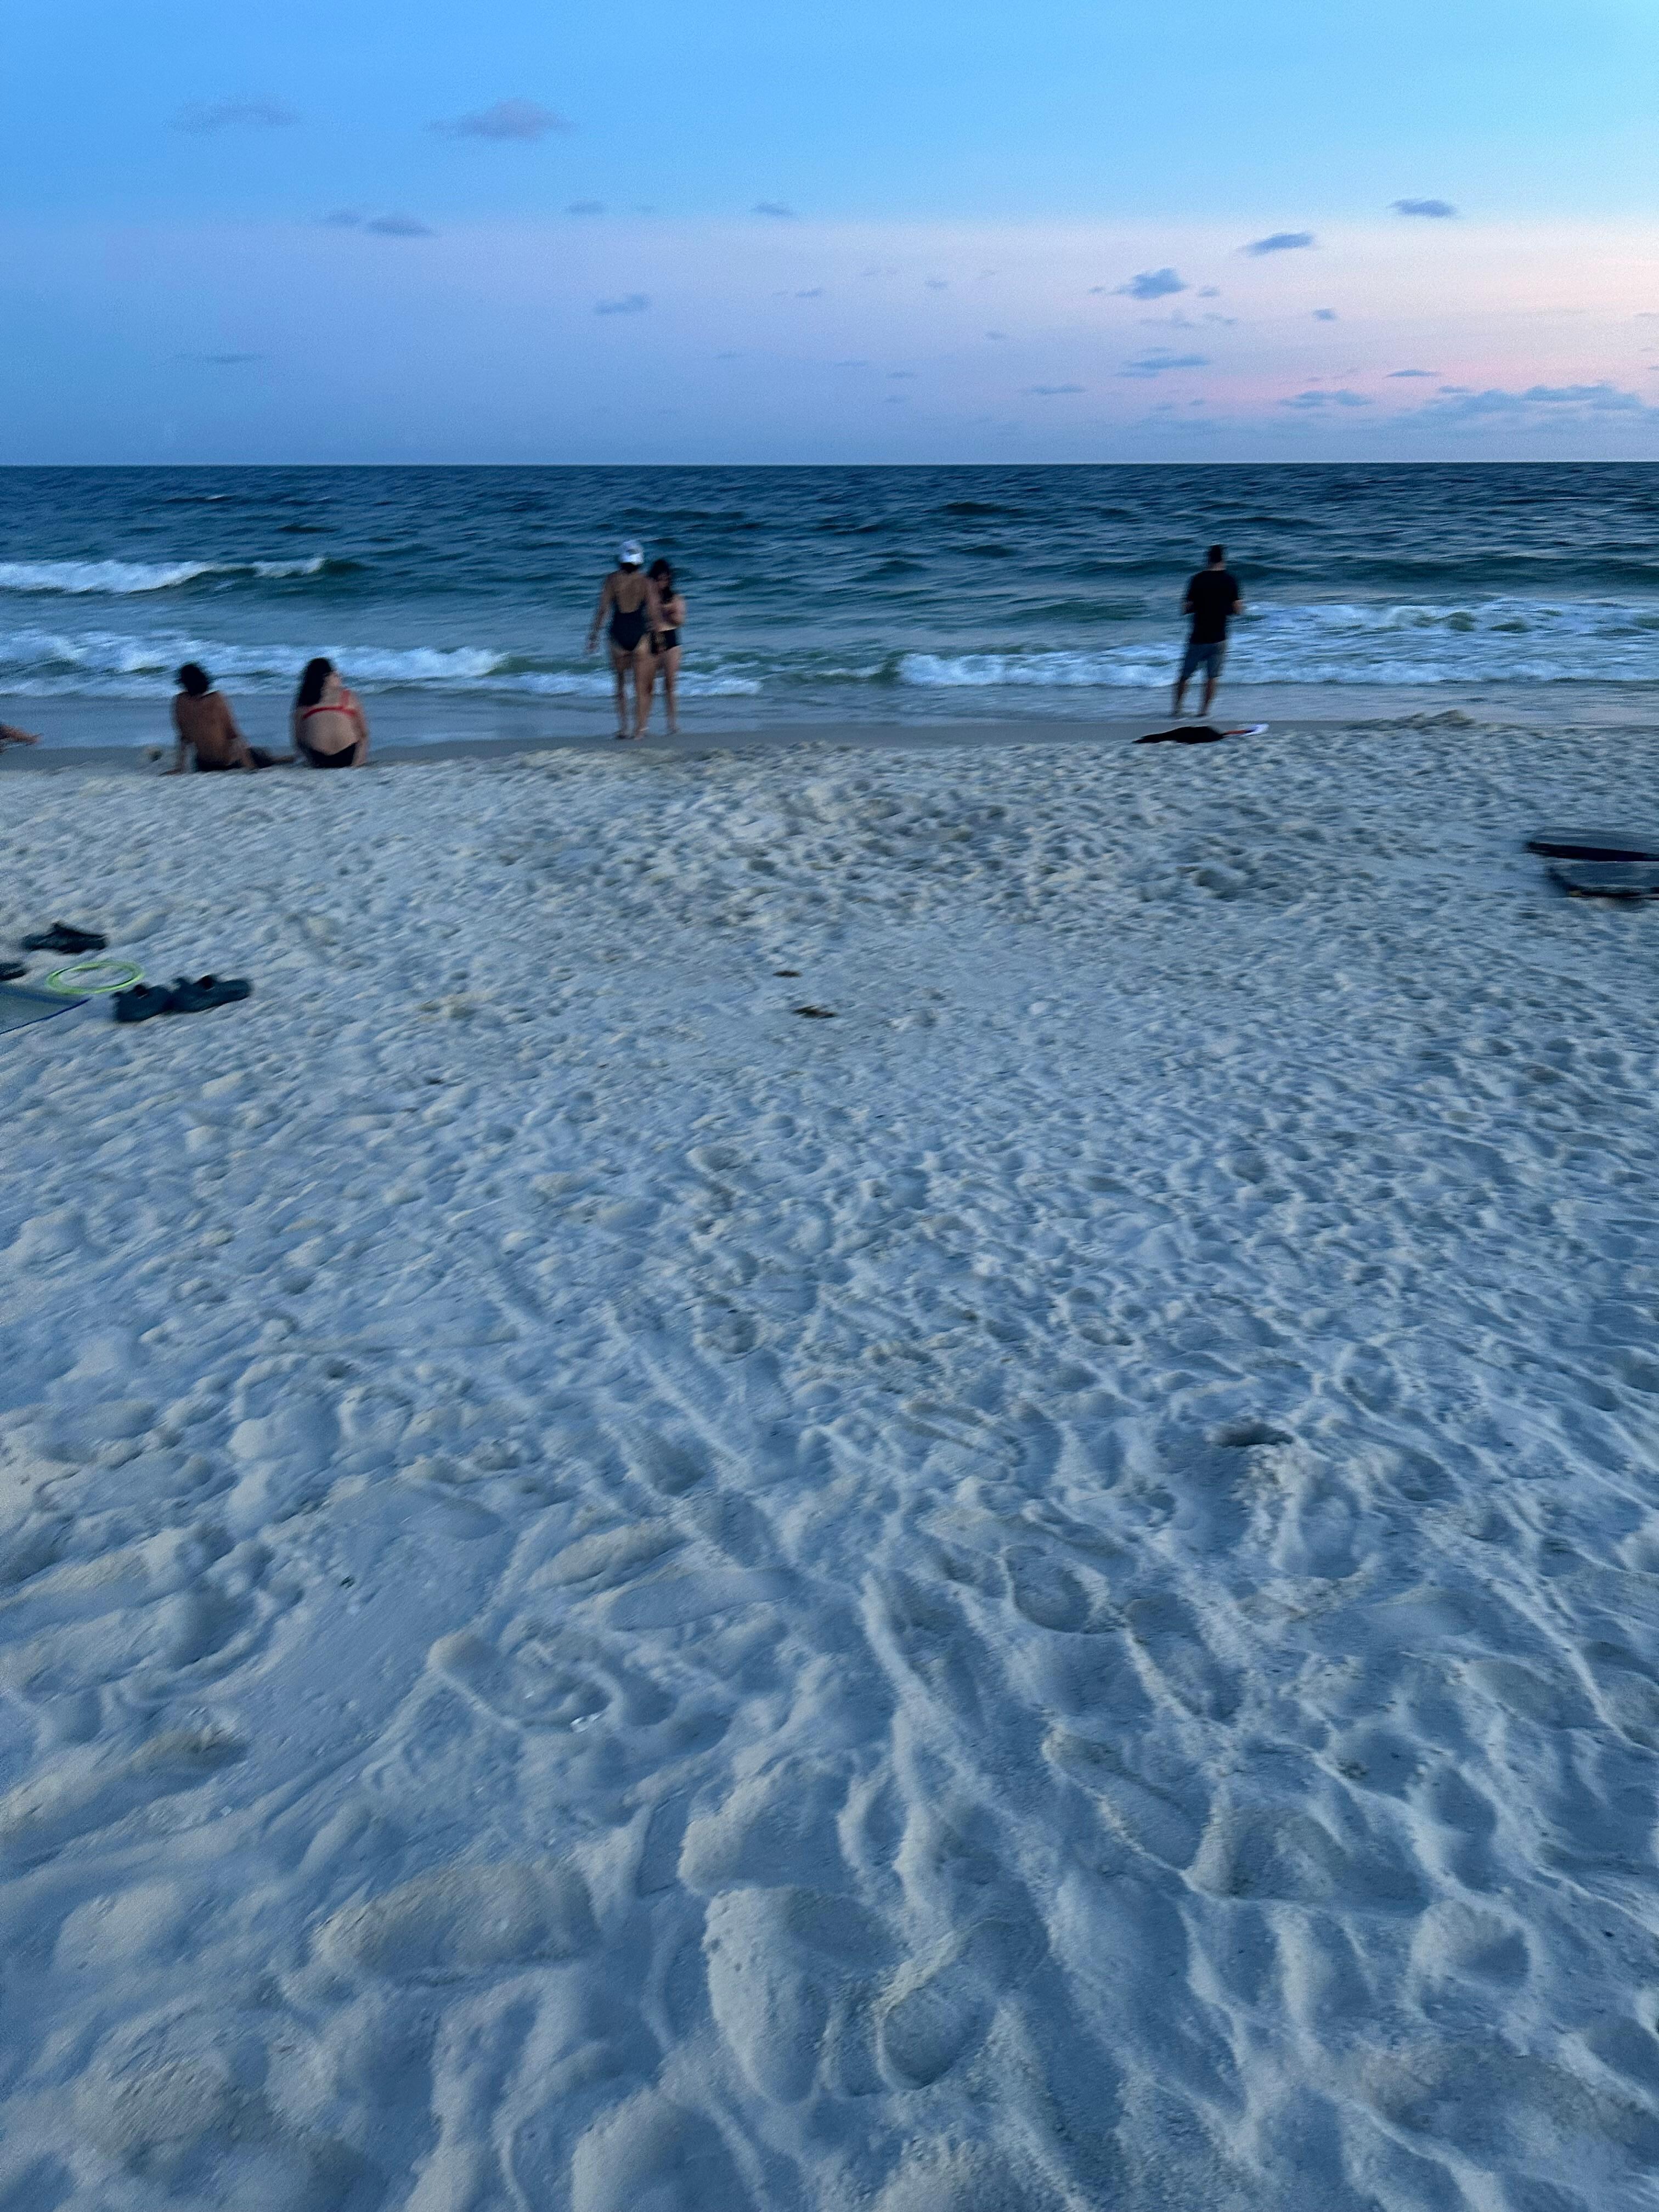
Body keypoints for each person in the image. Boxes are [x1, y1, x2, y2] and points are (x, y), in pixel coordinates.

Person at [585, 540, 664, 740]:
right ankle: (640, 730)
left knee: (621, 684)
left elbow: (603, 610)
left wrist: (593, 636)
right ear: (640, 560)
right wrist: (660, 639)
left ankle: (623, 729)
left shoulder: (612, 580)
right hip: (639, 634)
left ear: (621, 559)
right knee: (640, 686)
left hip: (618, 634)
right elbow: (654, 614)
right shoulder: (647, 582)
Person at [1172, 544, 1243, 720]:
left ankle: (1178, 709)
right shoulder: (1231, 580)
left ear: (1208, 559)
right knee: (1212, 677)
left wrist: (1200, 605)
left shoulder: (1197, 579)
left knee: (1185, 675)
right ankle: (1203, 711)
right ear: (1223, 559)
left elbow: (1185, 608)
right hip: (1219, 637)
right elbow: (1238, 610)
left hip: (1198, 637)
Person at [168, 663, 278, 772]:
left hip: (204, 764)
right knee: (264, 756)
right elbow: (233, 734)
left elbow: (184, 737)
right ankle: (281, 760)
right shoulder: (216, 699)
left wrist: (180, 767)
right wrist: (249, 766)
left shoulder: (180, 701)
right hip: (226, 761)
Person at [292, 658, 370, 768]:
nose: (341, 678)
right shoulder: (348, 696)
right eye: (336, 675)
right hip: (349, 756)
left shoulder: (304, 702)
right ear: (326, 678)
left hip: (318, 758)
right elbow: (364, 734)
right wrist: (358, 762)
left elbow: (299, 740)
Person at [647, 558, 686, 737]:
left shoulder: (675, 598)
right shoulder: (648, 599)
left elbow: (680, 621)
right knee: (648, 686)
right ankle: (643, 723)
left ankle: (672, 724)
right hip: (651, 639)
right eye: (658, 580)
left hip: (671, 639)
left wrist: (668, 612)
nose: (661, 583)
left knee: (670, 684)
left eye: (665, 579)